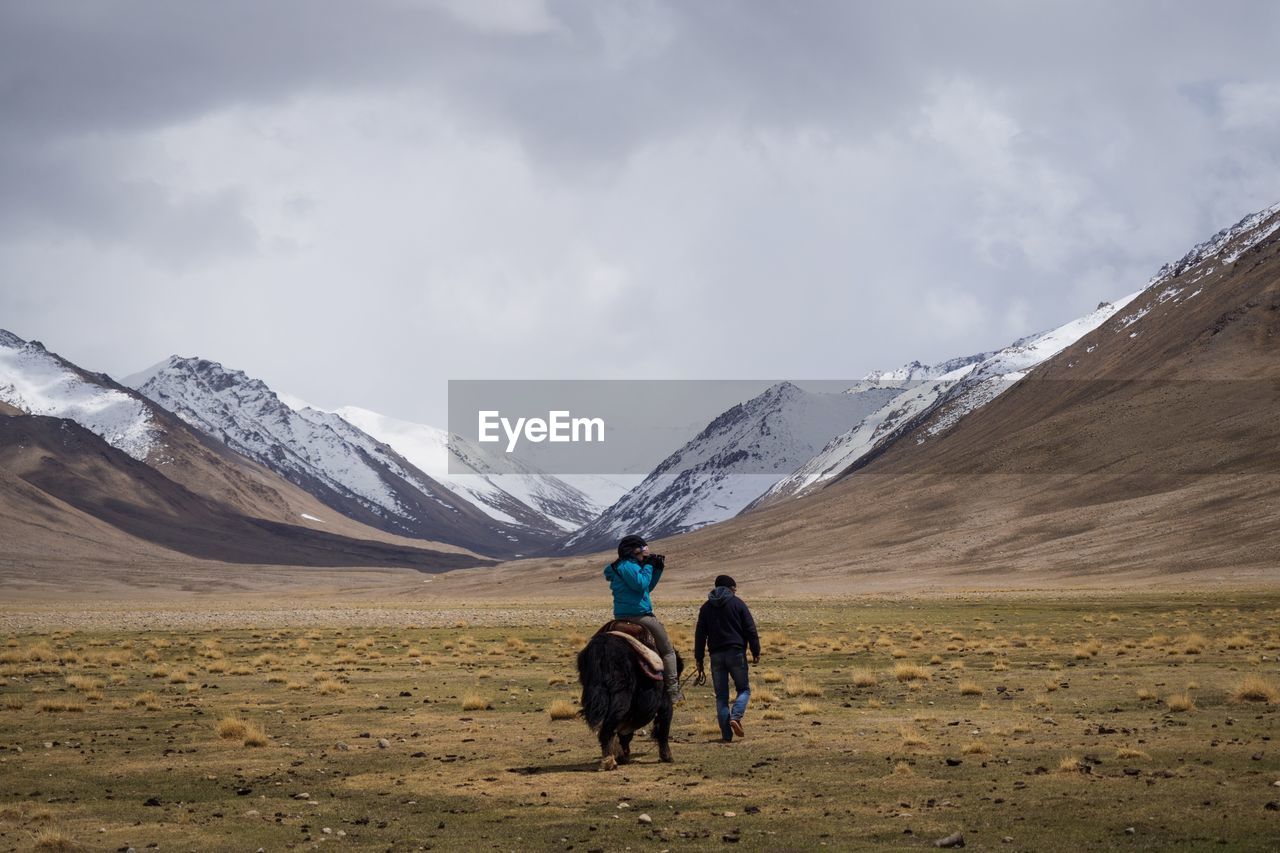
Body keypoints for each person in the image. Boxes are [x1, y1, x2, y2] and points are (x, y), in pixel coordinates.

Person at [603, 534, 683, 703]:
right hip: (639, 615)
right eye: (642, 554)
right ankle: (673, 690)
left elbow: (646, 588)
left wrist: (657, 569)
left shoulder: (627, 566)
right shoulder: (627, 566)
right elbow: (640, 585)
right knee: (667, 650)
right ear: (633, 552)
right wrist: (647, 566)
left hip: (622, 615)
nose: (643, 557)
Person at [694, 574, 760, 742]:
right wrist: (755, 650)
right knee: (744, 689)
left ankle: (726, 735)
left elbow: (700, 635)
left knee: (721, 696)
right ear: (730, 588)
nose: (735, 591)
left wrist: (699, 659)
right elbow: (750, 629)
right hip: (736, 652)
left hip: (716, 656)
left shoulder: (706, 607)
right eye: (734, 589)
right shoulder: (738, 604)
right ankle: (735, 717)